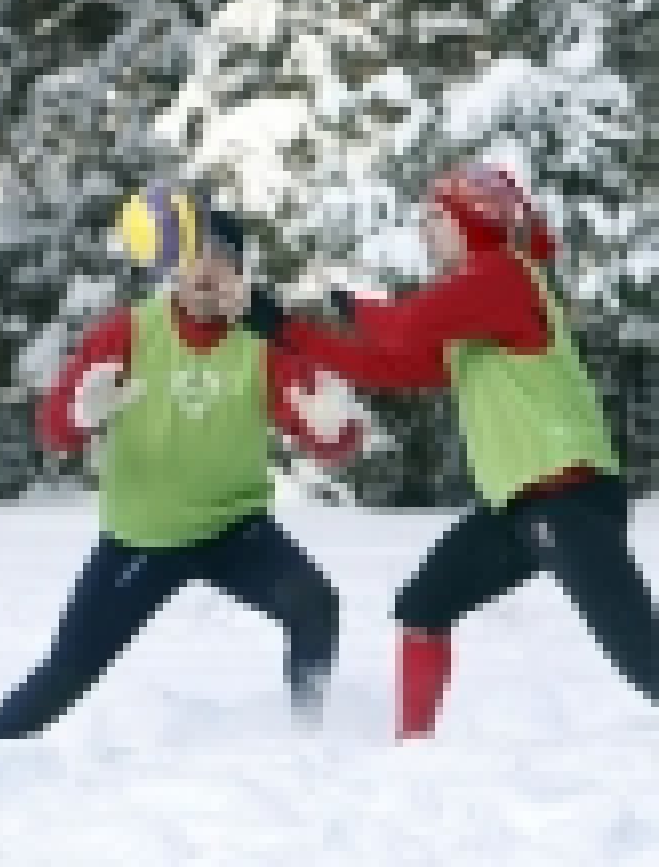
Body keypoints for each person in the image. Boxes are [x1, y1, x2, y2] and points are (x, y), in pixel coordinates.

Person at [265, 163, 650, 739]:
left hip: (568, 497)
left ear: (471, 219)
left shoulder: (501, 275)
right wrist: (286, 333)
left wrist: (350, 306)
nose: (425, 229)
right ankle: (413, 750)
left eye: (434, 217)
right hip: (518, 507)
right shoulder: (476, 301)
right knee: (423, 605)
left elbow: (407, 327)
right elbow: (397, 366)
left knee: (640, 653)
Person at [0, 187, 365, 739]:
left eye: (223, 260)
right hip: (143, 538)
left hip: (236, 532)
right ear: (174, 265)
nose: (207, 271)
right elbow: (54, 431)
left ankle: (309, 741)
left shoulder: (263, 344)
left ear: (241, 276)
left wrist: (334, 427)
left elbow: (332, 438)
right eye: (195, 256)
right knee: (68, 671)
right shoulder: (129, 332)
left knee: (315, 605)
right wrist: (82, 413)